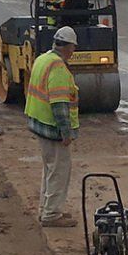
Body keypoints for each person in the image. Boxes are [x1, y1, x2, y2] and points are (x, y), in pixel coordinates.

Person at [26, 25, 81, 227]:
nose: (73, 52)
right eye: (73, 48)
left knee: (50, 169)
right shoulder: (57, 67)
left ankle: (47, 210)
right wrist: (66, 132)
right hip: (52, 129)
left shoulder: (42, 59)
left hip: (40, 125)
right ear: (68, 47)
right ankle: (51, 215)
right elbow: (59, 105)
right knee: (59, 171)